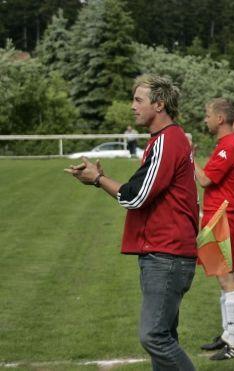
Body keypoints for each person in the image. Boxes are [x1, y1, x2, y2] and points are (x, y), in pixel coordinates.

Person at [64, 75, 198, 370]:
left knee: (154, 336)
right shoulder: (163, 141)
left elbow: (136, 197)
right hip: (164, 252)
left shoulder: (167, 141)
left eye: (138, 100)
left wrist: (98, 179)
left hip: (167, 253)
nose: (132, 106)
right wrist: (100, 179)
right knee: (164, 336)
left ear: (159, 104)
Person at [194, 98, 234, 360]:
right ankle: (228, 333)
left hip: (223, 216)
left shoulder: (229, 146)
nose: (205, 120)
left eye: (207, 115)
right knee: (222, 275)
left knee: (226, 276)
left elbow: (204, 179)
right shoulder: (227, 144)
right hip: (219, 215)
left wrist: (188, 157)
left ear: (220, 119)